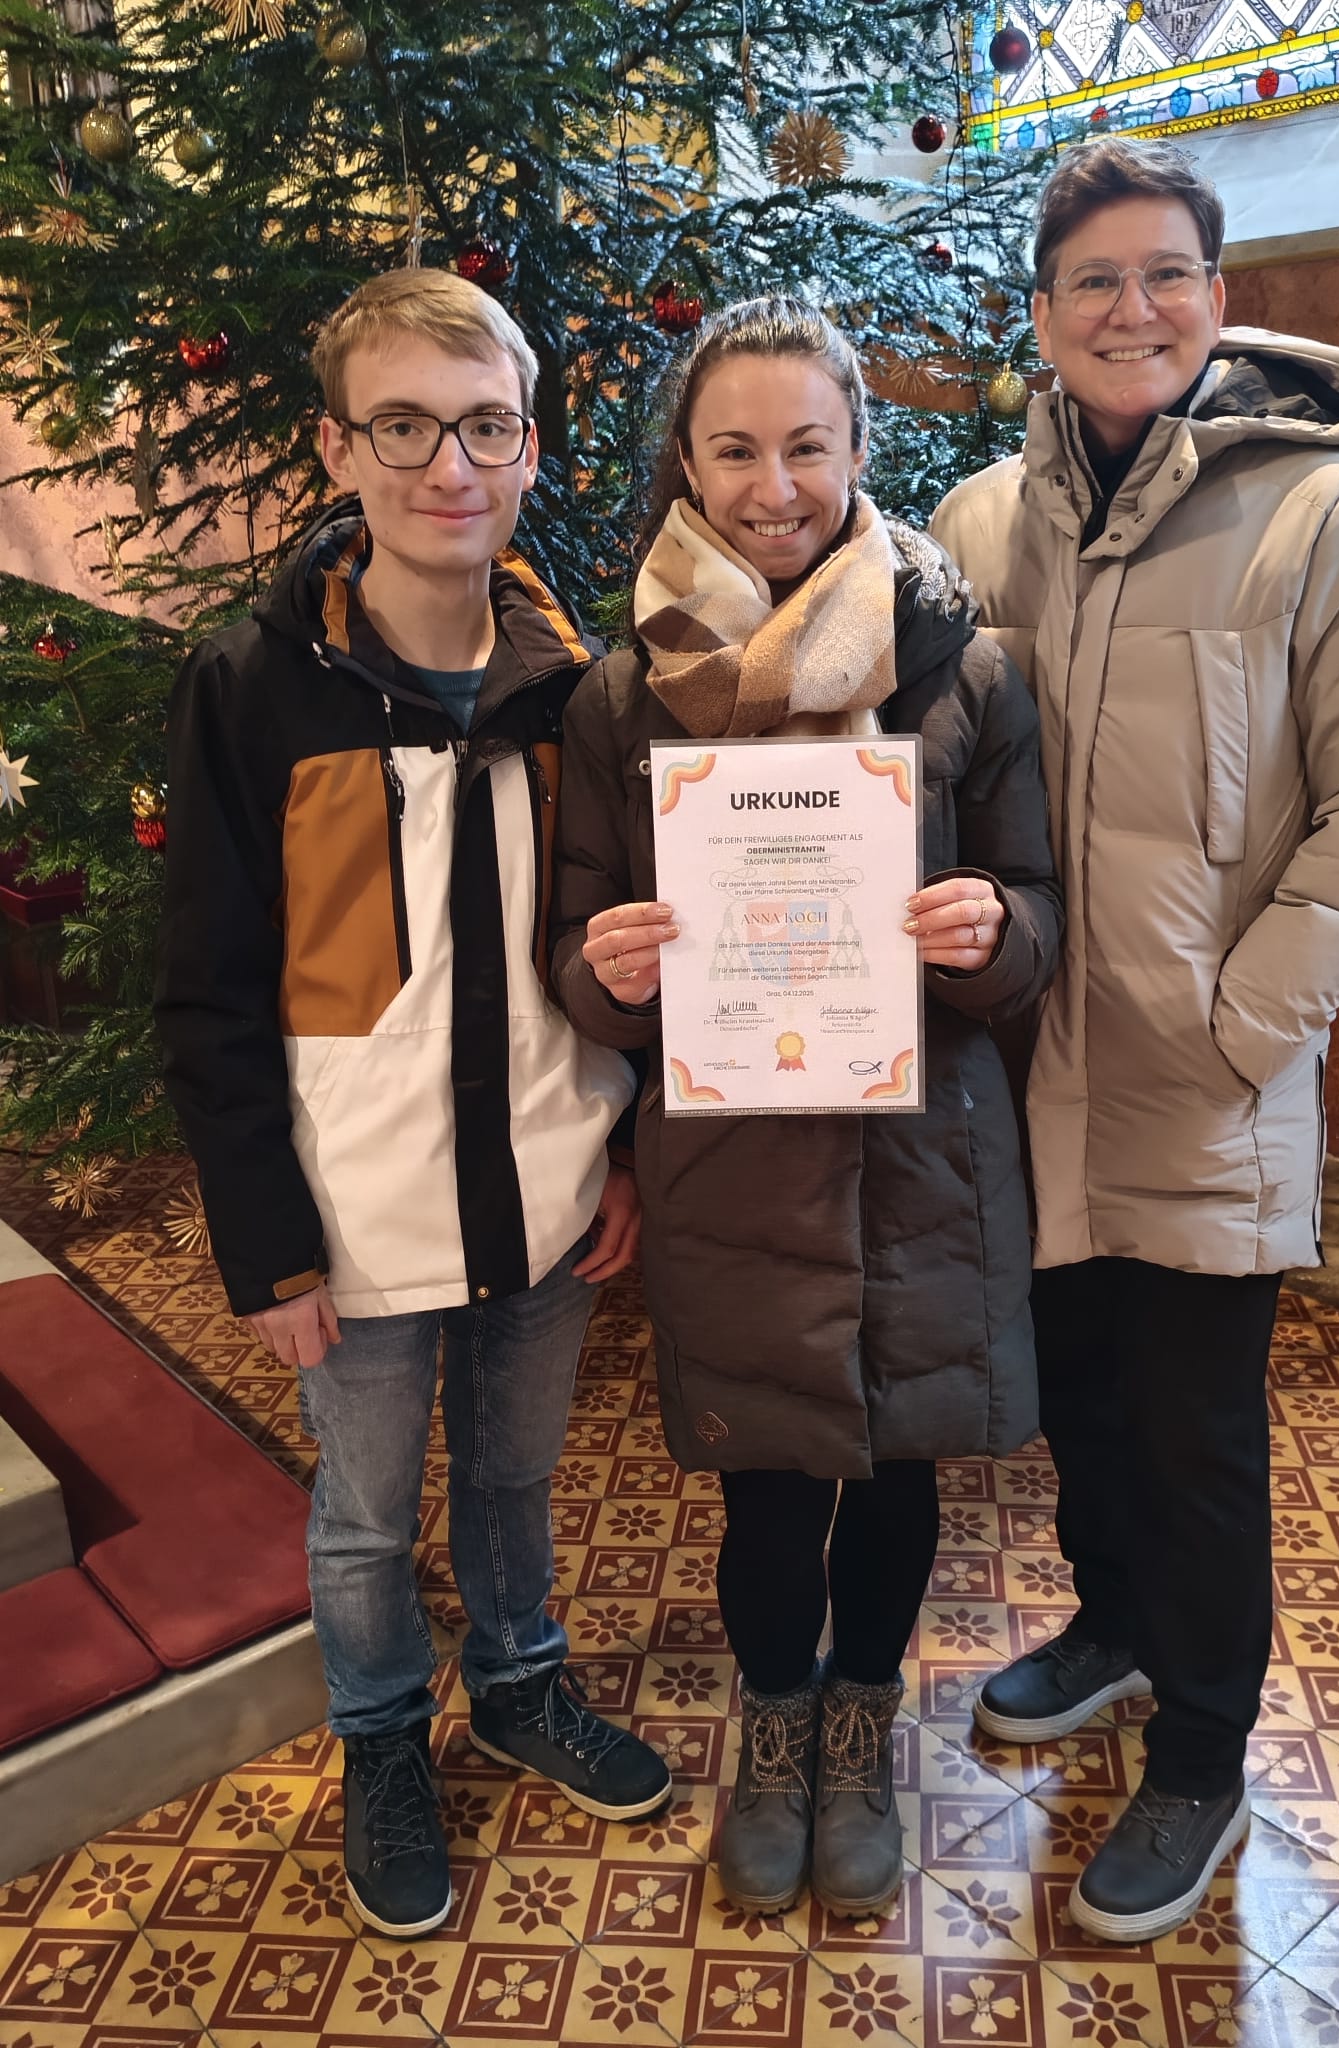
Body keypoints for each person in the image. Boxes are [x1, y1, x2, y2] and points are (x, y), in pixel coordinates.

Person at [931, 137, 1339, 1942]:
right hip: (1029, 1071)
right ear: (1043, 313)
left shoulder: (1329, 518)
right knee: (1078, 1402)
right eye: (1093, 278)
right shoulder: (974, 527)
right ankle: (1114, 1627)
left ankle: (1204, 1755)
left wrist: (1253, 1025)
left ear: (1219, 300)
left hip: (1207, 1079)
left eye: (1166, 272)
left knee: (1198, 1437)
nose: (1131, 307)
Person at [154, 268, 671, 1942]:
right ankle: (383, 1734)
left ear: (530, 449)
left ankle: (520, 1681)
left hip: (545, 1179)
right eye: (403, 427)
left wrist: (624, 1152)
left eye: (485, 427)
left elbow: (618, 949)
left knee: (516, 1476)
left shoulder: (581, 690)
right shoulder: (256, 688)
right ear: (337, 448)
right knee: (368, 1515)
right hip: (352, 1208)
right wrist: (264, 1240)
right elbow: (213, 988)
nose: (449, 466)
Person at [550, 295, 1061, 1918]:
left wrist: (992, 930)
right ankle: (776, 1729)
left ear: (858, 448)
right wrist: (607, 969)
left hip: (924, 1153)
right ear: (686, 466)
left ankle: (861, 1725)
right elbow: (574, 943)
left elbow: (1039, 918)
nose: (774, 487)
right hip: (732, 1159)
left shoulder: (967, 671)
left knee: (900, 1470)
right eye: (736, 450)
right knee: (767, 1482)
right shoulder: (622, 696)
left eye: (807, 446)